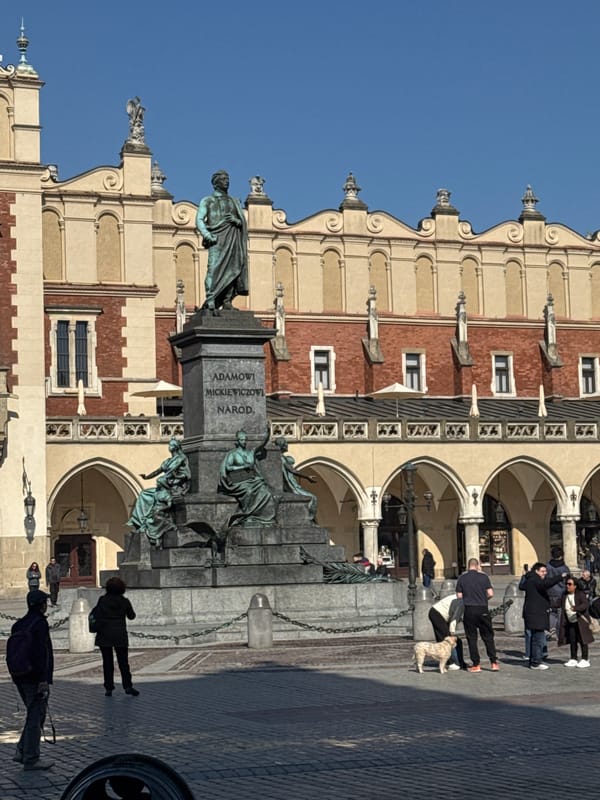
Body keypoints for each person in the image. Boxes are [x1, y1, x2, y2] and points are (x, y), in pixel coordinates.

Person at [9, 589, 54, 770]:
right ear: (41, 605)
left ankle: (22, 750)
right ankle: (31, 758)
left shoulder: (19, 624)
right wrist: (43, 679)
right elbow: (41, 653)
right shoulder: (40, 624)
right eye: (45, 602)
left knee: (34, 714)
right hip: (35, 676)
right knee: (36, 716)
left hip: (20, 675)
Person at [196, 170, 248, 314]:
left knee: (233, 269)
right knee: (213, 269)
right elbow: (199, 220)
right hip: (217, 239)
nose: (227, 181)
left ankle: (227, 301)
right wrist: (207, 234)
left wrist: (237, 221)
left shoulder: (234, 201)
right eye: (223, 179)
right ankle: (211, 299)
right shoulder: (208, 200)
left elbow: (241, 222)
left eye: (227, 179)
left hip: (232, 239)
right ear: (215, 183)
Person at [127, 438, 191, 546]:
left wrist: (164, 479)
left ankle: (151, 526)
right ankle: (139, 521)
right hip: (164, 485)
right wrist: (147, 477)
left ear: (176, 447)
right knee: (144, 494)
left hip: (174, 486)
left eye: (171, 445)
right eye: (169, 445)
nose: (169, 447)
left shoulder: (181, 458)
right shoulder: (168, 461)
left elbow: (172, 472)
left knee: (157, 496)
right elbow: (158, 471)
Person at [93, 577, 139, 696]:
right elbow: (131, 616)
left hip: (104, 633)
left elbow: (97, 614)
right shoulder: (124, 601)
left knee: (107, 662)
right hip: (120, 634)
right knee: (123, 662)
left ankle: (109, 688)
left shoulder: (102, 600)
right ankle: (128, 686)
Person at [456, 558, 499, 672]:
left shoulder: (462, 578)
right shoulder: (484, 577)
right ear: (478, 565)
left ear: (468, 566)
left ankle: (476, 664)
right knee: (488, 636)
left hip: (469, 609)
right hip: (483, 608)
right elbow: (490, 593)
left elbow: (459, 596)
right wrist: (484, 599)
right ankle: (494, 662)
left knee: (472, 638)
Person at [522, 562, 566, 670]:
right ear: (536, 571)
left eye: (545, 571)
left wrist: (525, 575)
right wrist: (560, 577)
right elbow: (545, 584)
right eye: (542, 571)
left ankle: (533, 660)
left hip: (534, 613)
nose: (544, 573)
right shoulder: (534, 579)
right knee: (538, 639)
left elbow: (522, 586)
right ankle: (536, 662)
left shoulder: (530, 578)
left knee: (535, 638)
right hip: (536, 614)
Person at [274, 437, 318, 521]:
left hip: (290, 484)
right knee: (313, 498)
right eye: (285, 443)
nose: (287, 445)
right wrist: (307, 477)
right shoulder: (281, 458)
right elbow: (292, 470)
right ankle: (309, 518)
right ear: (281, 445)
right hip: (291, 486)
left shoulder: (280, 457)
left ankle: (309, 519)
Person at [558, 575, 594, 668]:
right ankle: (573, 658)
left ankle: (585, 659)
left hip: (580, 621)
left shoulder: (580, 594)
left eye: (570, 584)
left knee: (583, 640)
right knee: (572, 640)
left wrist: (576, 608)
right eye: (567, 584)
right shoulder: (565, 595)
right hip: (570, 621)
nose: (567, 586)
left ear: (575, 586)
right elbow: (559, 604)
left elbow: (585, 604)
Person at [428, 594, 465, 669]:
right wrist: (452, 632)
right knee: (447, 640)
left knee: (445, 639)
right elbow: (454, 618)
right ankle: (451, 663)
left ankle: (458, 662)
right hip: (437, 613)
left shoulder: (462, 598)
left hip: (441, 614)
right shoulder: (462, 601)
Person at [546, 546, 570, 637]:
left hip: (550, 592)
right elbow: (568, 580)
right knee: (561, 612)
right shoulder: (564, 568)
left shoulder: (548, 566)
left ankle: (551, 629)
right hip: (562, 592)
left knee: (552, 612)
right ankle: (560, 632)